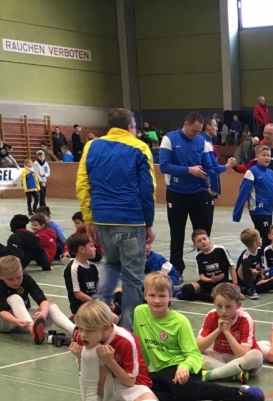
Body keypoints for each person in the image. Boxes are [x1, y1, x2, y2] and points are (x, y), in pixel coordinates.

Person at [133, 272, 265, 401]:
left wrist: (184, 367)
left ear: (170, 296)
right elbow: (139, 345)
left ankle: (238, 393)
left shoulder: (180, 321)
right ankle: (179, 400)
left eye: (162, 296)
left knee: (182, 387)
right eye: (152, 295)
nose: (157, 300)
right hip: (157, 370)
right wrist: (141, 371)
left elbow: (194, 353)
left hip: (179, 367)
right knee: (139, 388)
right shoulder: (139, 312)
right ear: (145, 295)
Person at [76, 107, 156, 331]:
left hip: (102, 220)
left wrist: (89, 218)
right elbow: (147, 189)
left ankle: (97, 315)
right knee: (132, 279)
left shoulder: (91, 146)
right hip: (130, 220)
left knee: (111, 264)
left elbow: (82, 184)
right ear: (131, 127)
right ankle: (129, 331)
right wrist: (148, 223)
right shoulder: (140, 148)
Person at [69, 300, 159, 401]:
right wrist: (80, 357)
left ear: (106, 328)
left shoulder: (126, 339)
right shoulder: (82, 337)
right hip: (103, 387)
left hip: (130, 387)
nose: (83, 334)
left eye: (88, 330)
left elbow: (130, 382)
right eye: (80, 328)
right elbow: (84, 373)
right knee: (89, 351)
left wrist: (109, 361)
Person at [158, 112, 217, 277]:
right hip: (176, 193)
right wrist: (188, 170)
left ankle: (206, 268)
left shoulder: (202, 141)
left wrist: (212, 182)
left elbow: (208, 166)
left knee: (202, 233)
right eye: (194, 130)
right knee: (177, 233)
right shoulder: (169, 139)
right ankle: (177, 270)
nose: (196, 134)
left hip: (198, 194)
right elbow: (164, 166)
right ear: (186, 124)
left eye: (199, 131)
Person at [0, 256, 74, 345]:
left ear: (22, 272)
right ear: (1, 276)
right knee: (15, 297)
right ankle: (33, 329)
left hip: (20, 320)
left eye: (18, 277)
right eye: (10, 279)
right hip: (0, 320)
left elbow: (42, 300)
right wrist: (16, 321)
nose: (15, 282)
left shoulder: (26, 278)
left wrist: (43, 313)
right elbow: (1, 311)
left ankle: (75, 330)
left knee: (51, 307)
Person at [235, 124, 273, 239]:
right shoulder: (256, 150)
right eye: (265, 133)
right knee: (263, 224)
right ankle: (262, 246)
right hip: (261, 194)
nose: (266, 136)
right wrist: (235, 166)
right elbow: (246, 167)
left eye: (269, 133)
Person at [196, 282, 264, 383]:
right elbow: (198, 347)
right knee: (193, 353)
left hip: (244, 361)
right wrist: (218, 330)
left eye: (228, 307)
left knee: (256, 356)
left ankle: (213, 375)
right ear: (214, 303)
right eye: (219, 306)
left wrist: (227, 332)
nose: (223, 311)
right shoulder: (211, 316)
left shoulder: (245, 319)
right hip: (220, 357)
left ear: (238, 305)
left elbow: (243, 355)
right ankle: (235, 374)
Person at [233, 144, 273, 249]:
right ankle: (260, 255)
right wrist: (237, 214)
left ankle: (257, 254)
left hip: (268, 210)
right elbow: (243, 193)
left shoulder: (271, 173)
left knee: (261, 235)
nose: (267, 158)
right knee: (265, 236)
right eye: (263, 155)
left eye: (269, 155)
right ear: (256, 157)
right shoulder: (251, 172)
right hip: (257, 209)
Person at [177, 229, 236, 302]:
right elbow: (201, 276)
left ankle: (193, 296)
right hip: (207, 283)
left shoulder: (220, 250)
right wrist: (212, 280)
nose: (203, 242)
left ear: (209, 238)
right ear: (195, 244)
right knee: (186, 288)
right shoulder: (199, 256)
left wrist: (235, 285)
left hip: (222, 284)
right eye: (199, 241)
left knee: (220, 297)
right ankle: (185, 293)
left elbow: (231, 267)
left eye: (204, 239)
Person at [63, 233, 106, 316]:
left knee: (118, 308)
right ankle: (75, 319)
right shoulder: (74, 268)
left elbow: (97, 288)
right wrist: (96, 303)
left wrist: (103, 300)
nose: (95, 249)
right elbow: (77, 294)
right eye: (91, 246)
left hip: (94, 302)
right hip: (81, 307)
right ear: (82, 249)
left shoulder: (92, 266)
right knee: (113, 318)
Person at [236, 227, 273, 299]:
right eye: (259, 238)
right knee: (247, 262)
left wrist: (261, 276)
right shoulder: (246, 257)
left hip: (255, 281)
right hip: (245, 282)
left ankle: (248, 290)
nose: (261, 238)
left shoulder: (259, 251)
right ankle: (250, 290)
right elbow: (241, 276)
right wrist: (253, 276)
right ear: (255, 244)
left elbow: (261, 266)